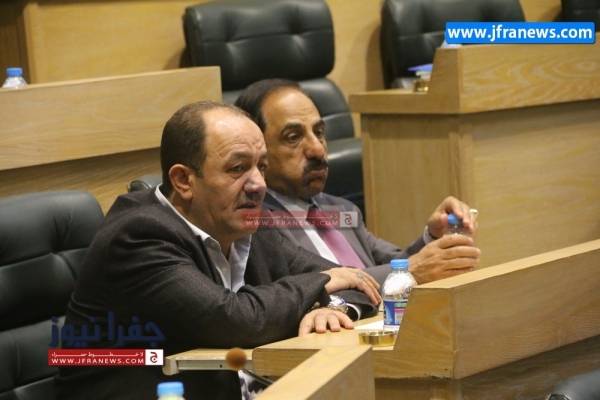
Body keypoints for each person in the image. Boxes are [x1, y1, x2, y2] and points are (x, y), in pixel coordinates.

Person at [57, 101, 380, 400]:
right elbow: (236, 320)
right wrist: (321, 283)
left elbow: (355, 282)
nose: (258, 184)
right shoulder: (138, 236)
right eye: (238, 168)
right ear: (183, 180)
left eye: (262, 167)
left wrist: (333, 309)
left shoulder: (245, 220)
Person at [235, 79, 481, 287]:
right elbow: (317, 287)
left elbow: (398, 262)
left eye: (319, 132)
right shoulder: (256, 226)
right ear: (258, 150)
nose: (318, 150)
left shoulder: (341, 210)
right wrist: (410, 272)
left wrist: (433, 236)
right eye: (293, 137)